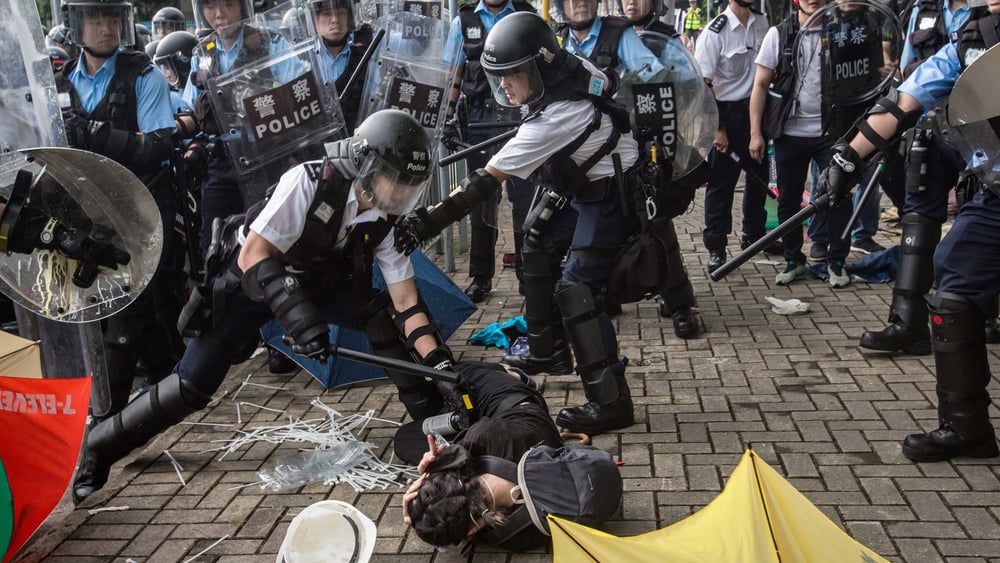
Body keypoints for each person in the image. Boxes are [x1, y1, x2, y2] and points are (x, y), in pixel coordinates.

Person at [76, 110, 463, 503]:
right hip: (251, 279)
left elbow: (406, 300)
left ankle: (435, 421)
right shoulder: (309, 181)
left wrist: (439, 365)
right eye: (394, 180)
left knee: (380, 317)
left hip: (317, 279)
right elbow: (254, 254)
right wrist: (300, 320)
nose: (400, 193)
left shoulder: (385, 216)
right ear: (366, 165)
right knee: (193, 383)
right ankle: (100, 448)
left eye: (408, 186)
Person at [395, 12, 638, 436]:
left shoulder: (559, 115)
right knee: (535, 238)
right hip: (589, 183)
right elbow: (607, 83)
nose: (504, 86)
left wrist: (420, 226)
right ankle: (548, 350)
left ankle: (611, 402)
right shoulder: (571, 67)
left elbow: (483, 182)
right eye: (498, 76)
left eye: (513, 75)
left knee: (578, 290)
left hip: (614, 195)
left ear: (539, 68)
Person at [814, 0, 1000, 463]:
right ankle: (966, 427)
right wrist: (849, 156)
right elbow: (905, 100)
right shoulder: (975, 40)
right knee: (954, 271)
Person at [55, 0, 188, 504]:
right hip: (86, 217)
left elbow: (156, 146)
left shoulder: (144, 75)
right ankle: (166, 390)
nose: (106, 27)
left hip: (143, 213)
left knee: (124, 321)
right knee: (140, 316)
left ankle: (100, 444)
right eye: (96, 19)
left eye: (113, 18)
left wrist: (95, 135)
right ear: (77, 25)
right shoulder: (61, 82)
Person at [856, 0, 971, 354]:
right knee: (917, 221)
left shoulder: (988, 16)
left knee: (974, 230)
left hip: (980, 140)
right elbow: (909, 80)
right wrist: (848, 157)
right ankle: (907, 323)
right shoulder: (924, 8)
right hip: (929, 131)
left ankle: (982, 315)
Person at [402, 362, 562, 552]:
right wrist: (435, 469)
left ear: (471, 532)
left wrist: (424, 518)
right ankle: (516, 375)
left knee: (404, 439)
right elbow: (458, 458)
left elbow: (451, 535)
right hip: (512, 401)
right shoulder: (482, 437)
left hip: (521, 430)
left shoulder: (513, 539)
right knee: (463, 370)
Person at [748, 0, 854, 287]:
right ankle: (793, 259)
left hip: (830, 133)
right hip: (789, 132)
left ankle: (837, 262)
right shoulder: (778, 35)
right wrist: (755, 133)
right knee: (788, 199)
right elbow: (759, 84)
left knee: (839, 196)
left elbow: (860, 75)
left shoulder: (841, 31)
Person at [441, 0, 537, 304]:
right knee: (480, 200)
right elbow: (453, 74)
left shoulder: (526, 15)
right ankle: (480, 278)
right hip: (478, 122)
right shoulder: (463, 21)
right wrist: (447, 117)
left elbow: (541, 71)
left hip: (518, 119)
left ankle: (528, 273)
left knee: (524, 200)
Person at [694, 0, 775, 273]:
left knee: (758, 177)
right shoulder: (714, 32)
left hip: (756, 110)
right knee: (721, 184)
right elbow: (703, 84)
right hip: (725, 114)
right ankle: (716, 246)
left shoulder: (762, 23)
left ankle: (753, 235)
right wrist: (718, 128)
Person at [309, 0, 376, 135]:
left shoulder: (368, 52)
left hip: (357, 141)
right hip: (316, 144)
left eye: (340, 13)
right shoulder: (303, 59)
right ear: (314, 20)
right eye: (327, 14)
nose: (334, 20)